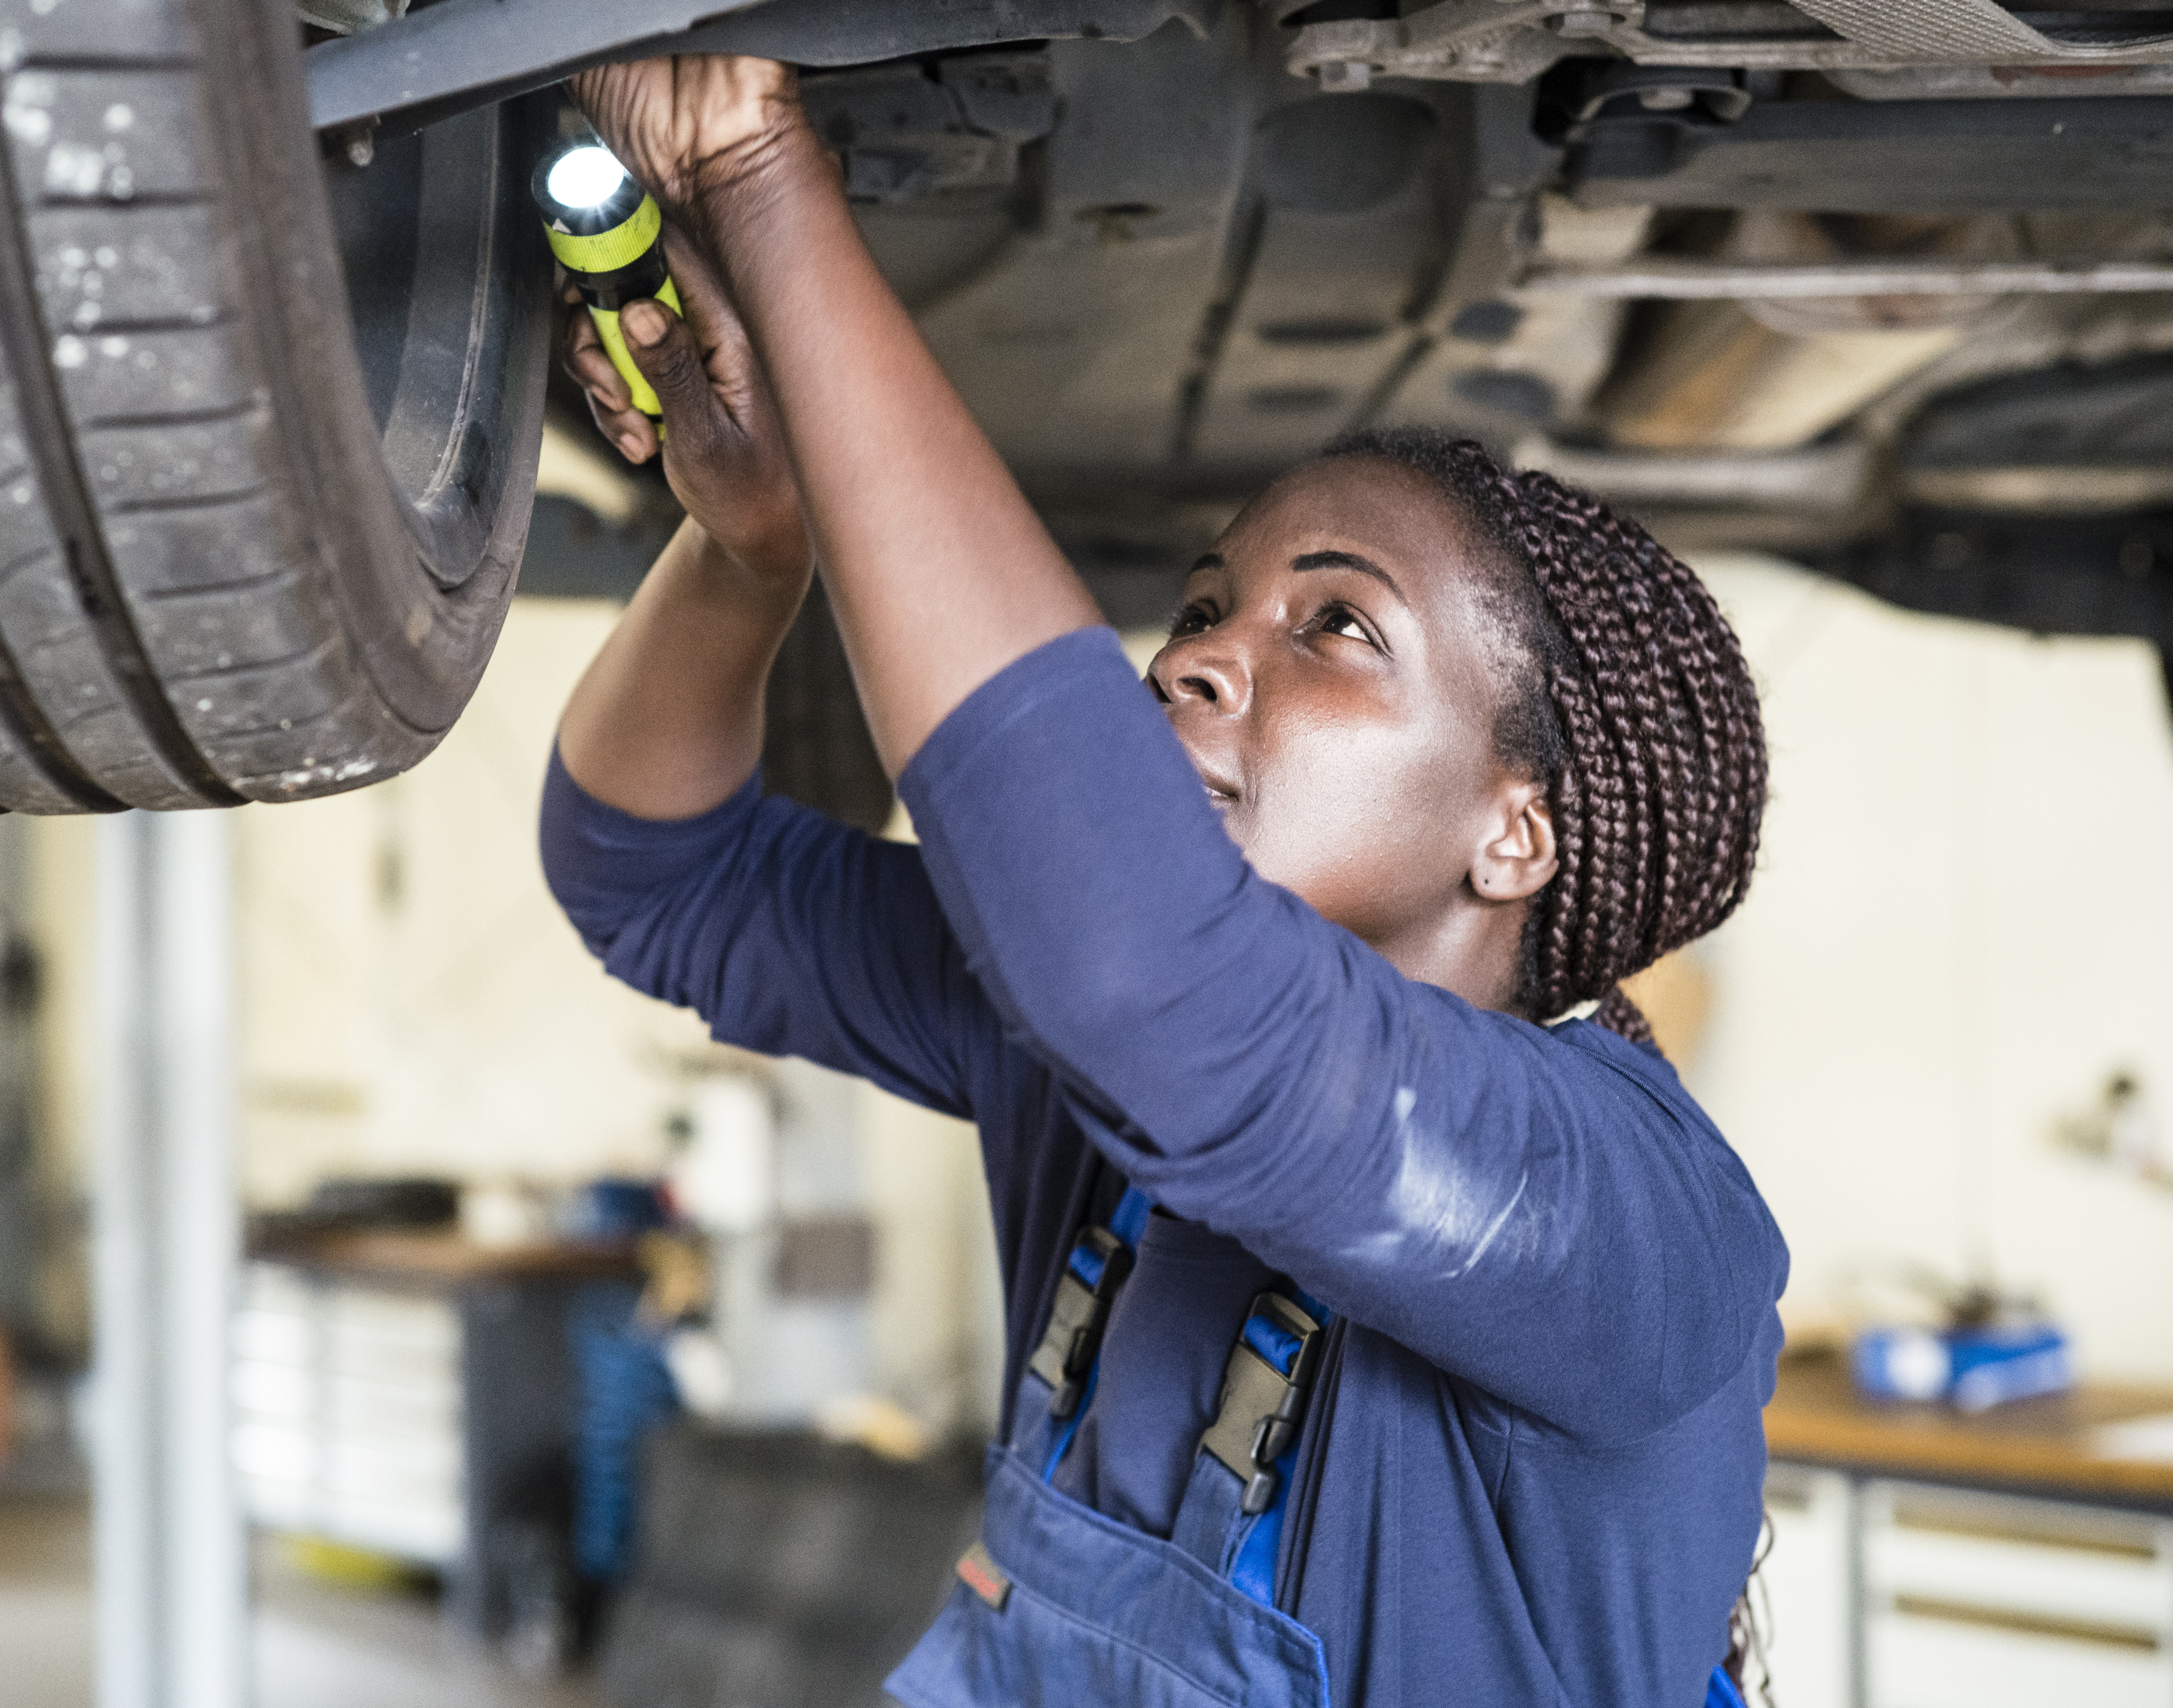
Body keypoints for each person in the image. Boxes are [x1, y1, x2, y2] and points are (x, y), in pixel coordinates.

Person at [542, 54, 1786, 1708]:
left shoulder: (1626, 1210)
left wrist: (765, 179)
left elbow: (1167, 991)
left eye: (1334, 626)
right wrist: (751, 548)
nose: (1198, 658)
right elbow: (658, 877)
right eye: (1205, 607)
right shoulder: (1090, 1056)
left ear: (1515, 826)